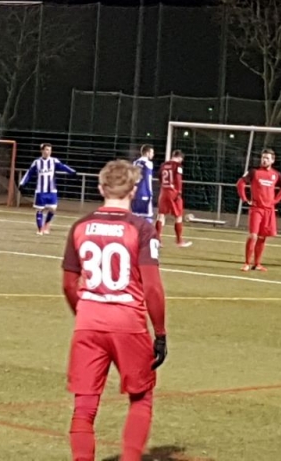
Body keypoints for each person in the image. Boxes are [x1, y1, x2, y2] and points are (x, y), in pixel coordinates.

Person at [60, 159, 168, 461]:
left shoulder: (80, 226)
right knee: (141, 397)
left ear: (100, 188)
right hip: (128, 323)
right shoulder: (142, 228)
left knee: (84, 406)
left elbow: (68, 284)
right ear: (133, 190)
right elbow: (152, 288)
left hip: (88, 322)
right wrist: (160, 333)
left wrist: (85, 314)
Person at [237, 148, 281, 271]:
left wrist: (275, 201)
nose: (264, 160)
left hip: (269, 210)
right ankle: (247, 263)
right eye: (263, 157)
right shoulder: (254, 171)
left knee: (262, 237)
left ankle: (257, 264)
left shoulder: (276, 174)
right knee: (253, 236)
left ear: (272, 160)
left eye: (267, 158)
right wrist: (245, 199)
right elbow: (240, 183)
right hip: (256, 209)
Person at [19, 143, 76, 235]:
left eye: (49, 150)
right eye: (46, 149)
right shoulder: (37, 162)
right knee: (39, 210)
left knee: (53, 209)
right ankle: (40, 229)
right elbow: (29, 173)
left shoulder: (54, 161)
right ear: (42, 150)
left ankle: (46, 224)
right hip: (40, 191)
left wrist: (72, 171)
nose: (48, 152)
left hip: (52, 190)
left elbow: (63, 166)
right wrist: (22, 183)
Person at [157, 149, 191, 247]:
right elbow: (178, 180)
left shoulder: (163, 165)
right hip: (173, 192)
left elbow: (159, 176)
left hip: (164, 192)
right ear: (180, 158)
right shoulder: (178, 166)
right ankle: (179, 240)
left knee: (161, 215)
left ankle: (157, 240)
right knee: (178, 216)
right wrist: (179, 192)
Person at [131, 145, 156, 222]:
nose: (153, 154)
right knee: (148, 217)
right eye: (152, 152)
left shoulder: (135, 163)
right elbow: (148, 179)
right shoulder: (148, 163)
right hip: (145, 192)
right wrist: (150, 193)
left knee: (135, 217)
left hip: (135, 193)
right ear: (147, 153)